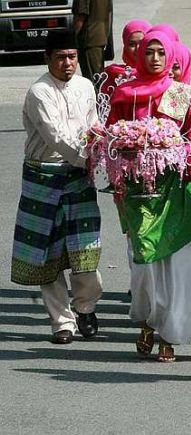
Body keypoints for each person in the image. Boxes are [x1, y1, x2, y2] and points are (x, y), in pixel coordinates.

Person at [107, 31, 191, 362]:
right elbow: (110, 138)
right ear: (140, 56)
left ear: (170, 58)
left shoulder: (180, 95)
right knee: (145, 266)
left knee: (175, 265)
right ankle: (148, 321)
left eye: (161, 53)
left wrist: (172, 152)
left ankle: (169, 336)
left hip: (176, 190)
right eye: (149, 52)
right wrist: (128, 147)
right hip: (139, 192)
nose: (155, 58)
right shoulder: (125, 94)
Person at [10, 30, 103, 345]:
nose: (68, 63)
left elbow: (93, 127)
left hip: (78, 176)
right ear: (46, 58)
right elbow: (56, 136)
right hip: (44, 176)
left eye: (73, 57)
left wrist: (104, 151)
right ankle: (61, 323)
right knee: (47, 254)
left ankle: (86, 307)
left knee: (85, 248)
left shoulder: (86, 86)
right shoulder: (39, 92)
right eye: (61, 57)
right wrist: (86, 159)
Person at [101, 19, 152, 95]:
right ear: (125, 46)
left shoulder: (161, 75)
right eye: (132, 44)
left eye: (142, 43)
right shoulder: (113, 76)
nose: (137, 48)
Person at [72, 0, 113, 87]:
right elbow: (109, 14)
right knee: (98, 78)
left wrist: (70, 38)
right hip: (100, 37)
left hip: (88, 39)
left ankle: (95, 100)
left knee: (92, 81)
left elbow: (81, 17)